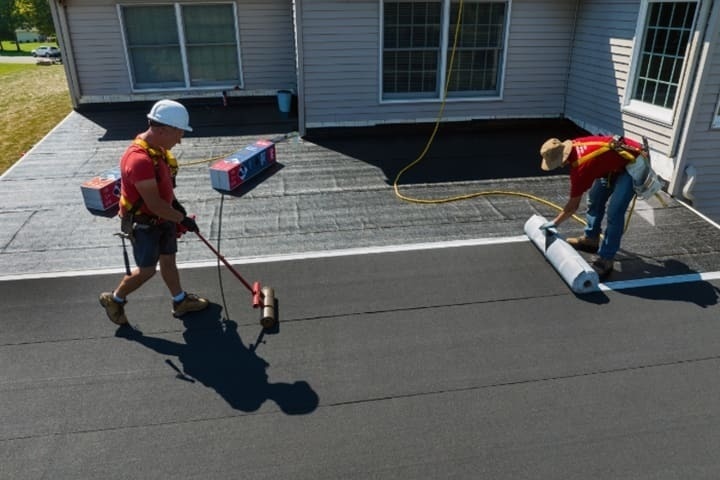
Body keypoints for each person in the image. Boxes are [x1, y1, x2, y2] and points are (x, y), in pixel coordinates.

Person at [100, 99, 209, 325]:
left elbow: (164, 191)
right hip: (145, 224)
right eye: (178, 133)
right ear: (161, 130)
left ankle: (180, 301)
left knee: (168, 260)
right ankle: (115, 299)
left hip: (163, 219)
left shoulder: (158, 150)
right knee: (147, 270)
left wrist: (176, 207)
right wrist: (183, 220)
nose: (180, 140)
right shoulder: (138, 160)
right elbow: (154, 204)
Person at [538, 134, 646, 278]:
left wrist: (554, 223)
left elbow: (572, 208)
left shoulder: (581, 169)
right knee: (595, 198)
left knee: (615, 212)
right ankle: (591, 240)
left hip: (633, 164)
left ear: (561, 160)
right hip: (614, 164)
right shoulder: (575, 144)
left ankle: (607, 258)